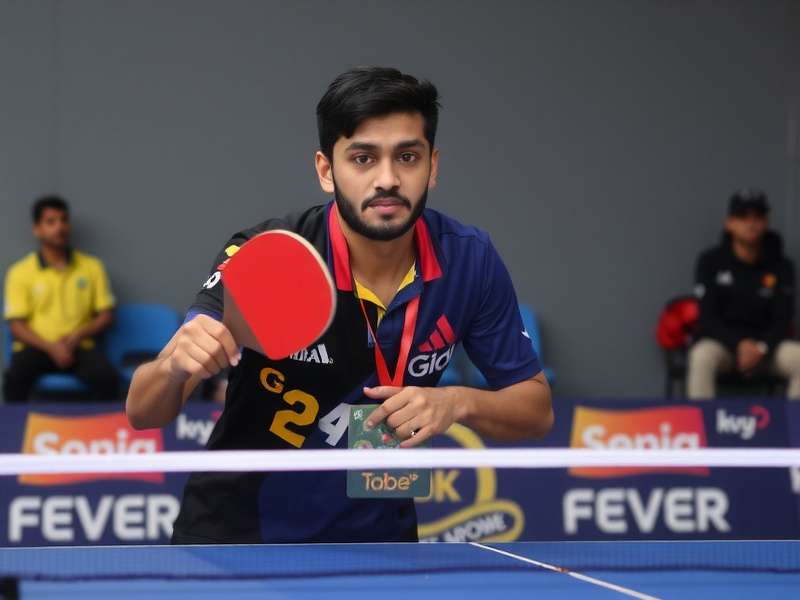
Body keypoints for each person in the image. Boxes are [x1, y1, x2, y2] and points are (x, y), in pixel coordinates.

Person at [126, 67, 553, 544]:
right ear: (326, 170)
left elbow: (535, 412)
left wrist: (457, 401)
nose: (387, 179)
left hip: (382, 547)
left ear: (432, 166)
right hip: (239, 540)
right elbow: (144, 413)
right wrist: (173, 369)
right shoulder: (272, 254)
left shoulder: (469, 259)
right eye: (363, 158)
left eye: (407, 156)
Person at [3, 196, 119, 402]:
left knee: (108, 379)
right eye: (51, 222)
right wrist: (52, 347)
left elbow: (106, 316)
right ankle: (12, 434)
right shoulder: (19, 272)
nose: (60, 227)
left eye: (64, 220)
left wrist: (75, 338)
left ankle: (103, 433)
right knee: (14, 378)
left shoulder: (92, 267)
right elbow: (17, 326)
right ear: (37, 229)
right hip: (37, 347)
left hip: (79, 345)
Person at [687, 189, 800, 399]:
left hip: (767, 348)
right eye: (743, 217)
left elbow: (783, 318)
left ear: (766, 222)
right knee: (701, 356)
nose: (751, 223)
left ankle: (796, 430)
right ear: (729, 223)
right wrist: (739, 344)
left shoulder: (782, 266)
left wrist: (761, 347)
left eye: (757, 217)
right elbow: (707, 317)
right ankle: (702, 427)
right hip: (725, 345)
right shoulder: (711, 261)